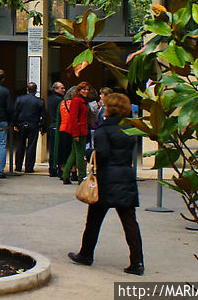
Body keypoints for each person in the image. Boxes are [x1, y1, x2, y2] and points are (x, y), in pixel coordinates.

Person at [68, 93, 144, 276]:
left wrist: (89, 154)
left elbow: (102, 154)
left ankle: (86, 254)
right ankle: (137, 262)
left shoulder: (104, 130)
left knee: (93, 220)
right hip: (125, 175)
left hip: (106, 179)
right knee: (130, 222)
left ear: (109, 108)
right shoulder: (130, 129)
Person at [62, 82, 92, 185]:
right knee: (80, 154)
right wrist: (76, 134)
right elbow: (73, 118)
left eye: (87, 89)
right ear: (79, 90)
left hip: (80, 130)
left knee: (74, 153)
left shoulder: (81, 101)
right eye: (84, 89)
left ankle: (66, 175)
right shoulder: (77, 101)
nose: (86, 91)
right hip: (79, 130)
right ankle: (81, 177)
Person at [13, 82, 46, 173]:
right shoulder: (40, 101)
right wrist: (43, 127)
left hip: (21, 124)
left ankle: (18, 166)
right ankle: (29, 167)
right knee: (31, 146)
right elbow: (43, 116)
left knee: (20, 145)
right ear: (36, 91)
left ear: (27, 90)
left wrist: (15, 124)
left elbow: (15, 112)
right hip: (33, 124)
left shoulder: (19, 99)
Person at [47, 81, 67, 177]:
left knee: (52, 149)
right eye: (61, 88)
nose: (64, 90)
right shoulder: (60, 100)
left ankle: (52, 168)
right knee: (58, 149)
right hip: (58, 125)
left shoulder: (50, 98)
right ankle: (58, 168)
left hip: (52, 125)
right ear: (55, 89)